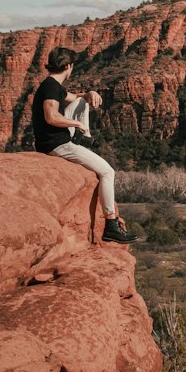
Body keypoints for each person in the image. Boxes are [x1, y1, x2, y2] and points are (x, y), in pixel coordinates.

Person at [31, 47, 129, 243]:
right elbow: (51, 116)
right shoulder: (50, 87)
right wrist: (76, 123)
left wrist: (89, 93)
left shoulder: (53, 85)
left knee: (82, 102)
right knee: (108, 172)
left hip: (57, 139)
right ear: (68, 66)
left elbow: (75, 98)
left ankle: (84, 140)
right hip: (57, 145)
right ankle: (111, 225)